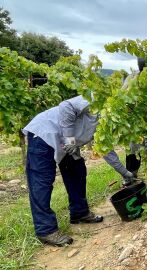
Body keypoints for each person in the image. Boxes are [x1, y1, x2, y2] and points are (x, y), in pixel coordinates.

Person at [23, 95, 104, 247]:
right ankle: (46, 230)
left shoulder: (109, 120)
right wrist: (70, 140)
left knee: (77, 170)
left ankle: (79, 213)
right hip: (44, 134)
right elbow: (66, 106)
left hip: (64, 143)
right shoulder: (98, 97)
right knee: (42, 181)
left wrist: (125, 173)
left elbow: (107, 150)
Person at [103, 57, 145, 186]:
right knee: (133, 148)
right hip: (134, 120)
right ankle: (130, 177)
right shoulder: (132, 78)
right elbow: (123, 98)